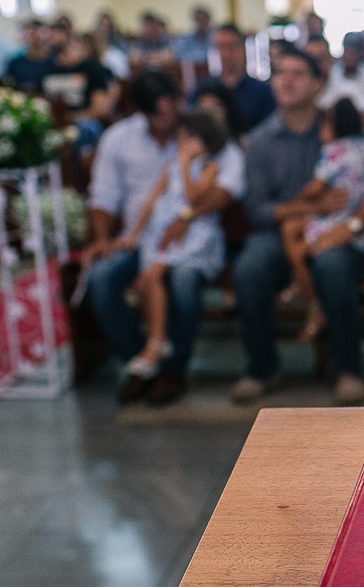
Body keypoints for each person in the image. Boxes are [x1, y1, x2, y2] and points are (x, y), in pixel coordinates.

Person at [230, 45, 364, 406]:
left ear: (319, 83)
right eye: (279, 73)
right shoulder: (260, 141)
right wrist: (310, 205)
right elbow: (257, 210)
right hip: (277, 233)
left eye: (297, 73)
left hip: (337, 227)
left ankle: (348, 368)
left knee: (334, 266)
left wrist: (350, 225)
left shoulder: (341, 128)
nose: (286, 80)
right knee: (249, 268)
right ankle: (262, 368)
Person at [85, 70, 245, 405]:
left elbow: (222, 191)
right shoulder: (118, 138)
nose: (169, 119)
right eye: (159, 114)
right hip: (142, 237)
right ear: (142, 111)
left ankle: (173, 369)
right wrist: (107, 238)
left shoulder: (203, 134)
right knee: (101, 278)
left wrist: (186, 216)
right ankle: (141, 365)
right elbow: (104, 195)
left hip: (192, 236)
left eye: (172, 108)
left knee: (184, 281)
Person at [111, 110, 231, 380]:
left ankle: (156, 344)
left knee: (152, 275)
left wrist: (187, 165)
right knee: (143, 282)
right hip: (162, 232)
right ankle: (157, 339)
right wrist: (134, 234)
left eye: (188, 138)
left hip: (194, 237)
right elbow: (151, 201)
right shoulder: (171, 167)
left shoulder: (210, 167)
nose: (182, 144)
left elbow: (193, 198)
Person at [280, 98, 364, 343]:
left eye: (323, 125)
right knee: (290, 228)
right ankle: (302, 287)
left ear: (332, 126)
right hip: (357, 218)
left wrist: (301, 196)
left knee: (297, 249)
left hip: (339, 218)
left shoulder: (333, 151)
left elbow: (317, 186)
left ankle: (313, 303)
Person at [195, 24, 275, 133]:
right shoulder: (202, 89)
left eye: (230, 46)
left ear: (242, 48)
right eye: (220, 47)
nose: (225, 54)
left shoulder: (262, 91)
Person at [43, 32, 112, 156]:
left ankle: (79, 171)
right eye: (61, 49)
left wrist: (73, 117)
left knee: (87, 129)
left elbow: (100, 107)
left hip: (81, 120)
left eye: (70, 47)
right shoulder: (47, 71)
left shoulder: (91, 70)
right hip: (51, 121)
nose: (65, 52)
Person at [320, 32, 364, 113]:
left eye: (353, 53)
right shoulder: (334, 71)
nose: (349, 56)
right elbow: (327, 99)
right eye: (347, 51)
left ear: (360, 54)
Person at [6, 20, 53, 93]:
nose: (32, 33)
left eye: (35, 30)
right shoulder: (15, 63)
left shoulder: (53, 63)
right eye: (28, 30)